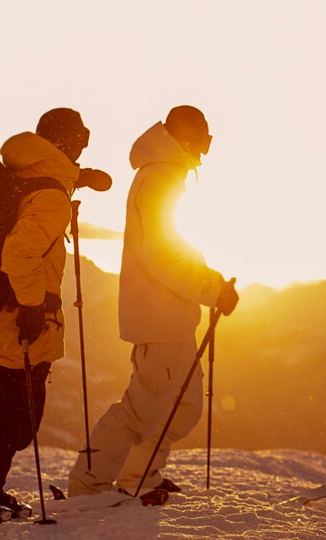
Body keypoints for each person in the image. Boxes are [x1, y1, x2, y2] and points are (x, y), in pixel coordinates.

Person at [0, 108, 112, 523]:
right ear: (69, 143)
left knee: (15, 413)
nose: (82, 149)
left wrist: (77, 177)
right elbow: (19, 252)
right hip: (17, 319)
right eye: (81, 142)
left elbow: (36, 195)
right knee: (17, 418)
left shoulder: (24, 173)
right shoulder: (49, 195)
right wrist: (34, 306)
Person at [68, 105, 239, 500]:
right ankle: (91, 485)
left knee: (176, 406)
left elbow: (175, 249)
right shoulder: (161, 177)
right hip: (161, 318)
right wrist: (210, 290)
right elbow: (163, 255)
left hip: (166, 316)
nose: (204, 152)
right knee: (144, 410)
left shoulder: (163, 175)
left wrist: (211, 281)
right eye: (203, 140)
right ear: (187, 138)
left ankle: (138, 477)